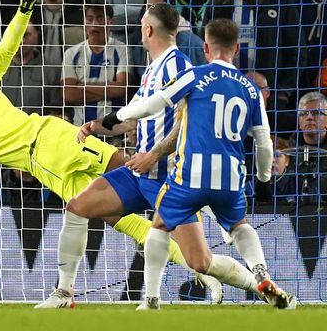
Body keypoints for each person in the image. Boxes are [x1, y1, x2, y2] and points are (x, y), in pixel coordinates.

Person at [0, 0, 220, 309]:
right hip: (46, 171)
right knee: (120, 220)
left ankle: (198, 199)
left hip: (54, 138)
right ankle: (199, 269)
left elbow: (7, 47)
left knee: (136, 174)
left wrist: (25, 7)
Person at [99, 18, 295, 310]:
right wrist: (264, 179)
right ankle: (260, 272)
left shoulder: (194, 75)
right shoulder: (251, 89)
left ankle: (151, 299)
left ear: (205, 47)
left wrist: (117, 117)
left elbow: (157, 102)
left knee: (159, 225)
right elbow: (264, 143)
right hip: (230, 179)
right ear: (237, 48)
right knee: (239, 225)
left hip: (190, 176)